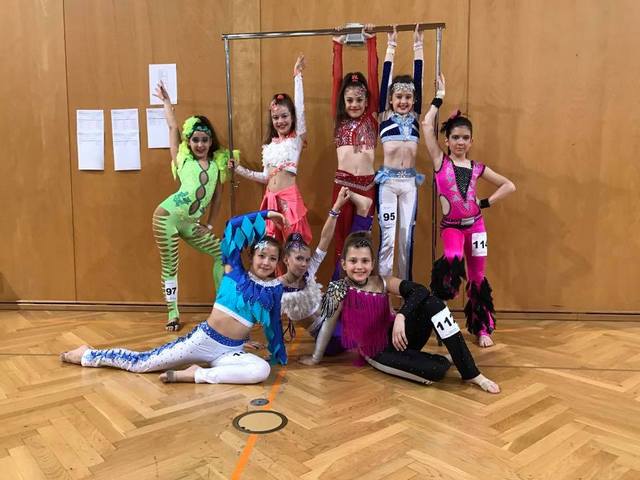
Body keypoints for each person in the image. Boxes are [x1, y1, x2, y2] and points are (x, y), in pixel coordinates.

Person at [60, 210, 290, 385]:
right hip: (204, 341)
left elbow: (274, 326)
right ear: (251, 256)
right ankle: (88, 354)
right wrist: (267, 214)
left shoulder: (273, 290)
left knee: (261, 371)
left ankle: (196, 374)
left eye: (272, 259)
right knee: (143, 363)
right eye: (262, 256)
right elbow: (232, 227)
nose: (266, 262)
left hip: (232, 351)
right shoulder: (234, 270)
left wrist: (278, 355)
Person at [300, 232, 500, 393]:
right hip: (376, 351)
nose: (359, 267)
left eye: (365, 261)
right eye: (353, 261)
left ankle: (471, 372)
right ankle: (444, 359)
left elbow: (420, 290)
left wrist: (401, 316)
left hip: (400, 337)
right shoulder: (338, 289)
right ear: (344, 264)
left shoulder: (383, 281)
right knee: (435, 371)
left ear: (372, 263)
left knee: (433, 303)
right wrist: (316, 357)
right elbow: (328, 325)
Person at [422, 74, 516, 347]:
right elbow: (426, 124)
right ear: (447, 140)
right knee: (451, 264)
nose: (460, 142)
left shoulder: (477, 168)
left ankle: (482, 328)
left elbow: (509, 185)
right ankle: (441, 322)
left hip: (476, 227)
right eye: (455, 137)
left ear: (471, 141)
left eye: (465, 138)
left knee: (477, 277)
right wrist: (439, 97)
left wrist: (485, 203)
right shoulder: (440, 162)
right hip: (451, 227)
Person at [152, 82, 231, 332]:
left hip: (191, 224)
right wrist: (166, 102)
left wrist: (210, 225)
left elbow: (217, 200)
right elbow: (172, 127)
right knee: (171, 264)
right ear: (189, 141)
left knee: (222, 254)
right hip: (165, 217)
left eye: (204, 140)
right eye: (195, 140)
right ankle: (172, 313)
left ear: (211, 141)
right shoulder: (182, 160)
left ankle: (221, 307)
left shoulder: (217, 167)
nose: (200, 144)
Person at [279, 187, 372, 353]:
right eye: (299, 259)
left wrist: (337, 206)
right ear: (286, 259)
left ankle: (363, 212)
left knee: (346, 264)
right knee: (362, 330)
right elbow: (261, 315)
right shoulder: (276, 288)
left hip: (334, 310)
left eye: (307, 259)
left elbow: (325, 239)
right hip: (328, 337)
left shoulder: (308, 271)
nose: (304, 264)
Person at [231, 55, 312, 244]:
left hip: (289, 199)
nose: (280, 121)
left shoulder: (296, 140)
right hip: (270, 199)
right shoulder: (269, 147)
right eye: (276, 118)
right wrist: (238, 169)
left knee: (294, 244)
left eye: (284, 116)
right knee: (270, 246)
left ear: (292, 117)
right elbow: (265, 177)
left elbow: (300, 108)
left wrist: (297, 77)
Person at [376, 25, 425, 280]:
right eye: (399, 97)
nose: (403, 101)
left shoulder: (415, 118)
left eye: (408, 97)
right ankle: (383, 292)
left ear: (413, 100)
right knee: (388, 238)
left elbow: (419, 81)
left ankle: (406, 291)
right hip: (388, 183)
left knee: (406, 237)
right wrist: (391, 46)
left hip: (409, 184)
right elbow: (385, 81)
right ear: (391, 100)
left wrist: (418, 46)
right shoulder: (385, 117)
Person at [330, 24, 379, 279]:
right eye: (349, 100)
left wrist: (371, 42)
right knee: (341, 242)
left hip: (367, 185)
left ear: (367, 101)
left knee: (362, 243)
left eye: (359, 100)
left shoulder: (372, 118)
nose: (354, 104)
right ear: (343, 101)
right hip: (343, 184)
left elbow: (373, 78)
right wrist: (337, 46)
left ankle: (362, 290)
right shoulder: (339, 119)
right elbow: (336, 81)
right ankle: (339, 290)